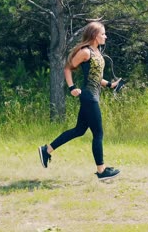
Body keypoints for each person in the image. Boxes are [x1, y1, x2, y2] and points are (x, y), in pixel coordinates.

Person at [38, 21, 121, 181]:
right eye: (103, 33)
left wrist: (110, 84)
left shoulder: (97, 52)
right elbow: (67, 68)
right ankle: (102, 171)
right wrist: (72, 87)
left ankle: (46, 150)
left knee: (79, 130)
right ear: (95, 35)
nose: (105, 36)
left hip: (93, 95)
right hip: (89, 97)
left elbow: (96, 77)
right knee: (98, 133)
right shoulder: (85, 52)